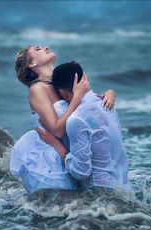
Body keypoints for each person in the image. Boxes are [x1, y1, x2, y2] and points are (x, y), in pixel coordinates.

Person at [10, 46, 116, 193]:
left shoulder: (60, 82)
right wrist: (77, 97)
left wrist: (110, 93)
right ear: (32, 64)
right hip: (54, 159)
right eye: (38, 49)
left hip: (77, 154)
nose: (46, 47)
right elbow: (57, 130)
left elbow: (89, 102)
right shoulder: (37, 89)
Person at [37, 62, 128, 189]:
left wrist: (56, 144)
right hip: (123, 186)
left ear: (63, 93)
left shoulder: (76, 119)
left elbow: (81, 173)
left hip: (100, 194)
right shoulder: (107, 104)